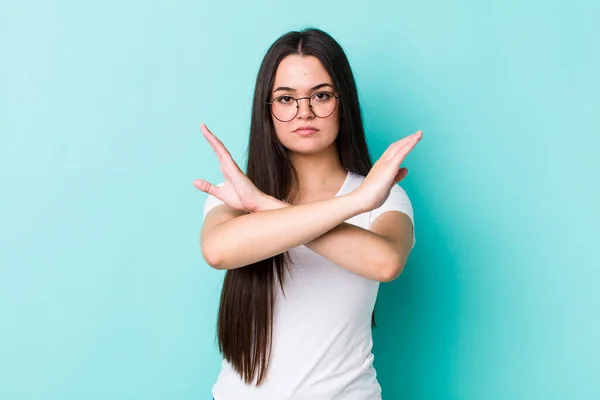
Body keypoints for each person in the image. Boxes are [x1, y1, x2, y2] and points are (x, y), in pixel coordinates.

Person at [194, 27, 422, 400]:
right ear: (267, 109)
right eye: (286, 98)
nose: (305, 112)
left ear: (342, 101)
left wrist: (264, 206)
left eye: (321, 95)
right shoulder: (237, 193)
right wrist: (354, 203)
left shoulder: (385, 198)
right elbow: (218, 251)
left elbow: (386, 263)